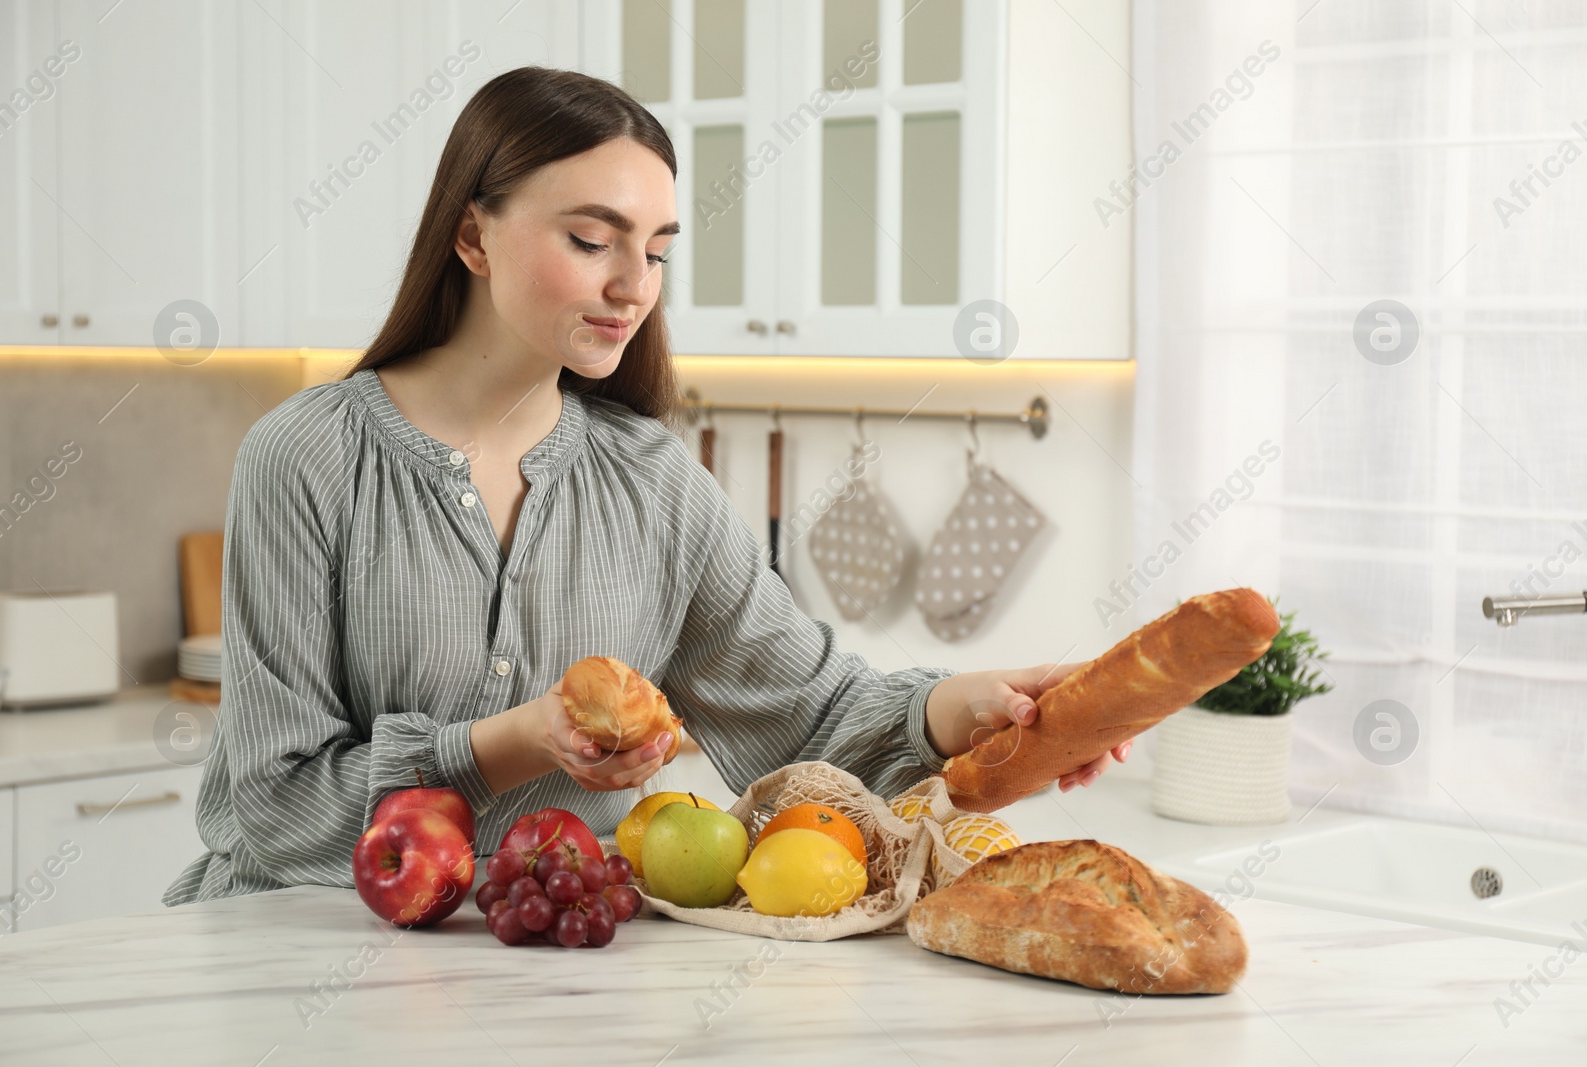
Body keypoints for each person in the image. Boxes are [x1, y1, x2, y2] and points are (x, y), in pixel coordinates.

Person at [163, 67, 1126, 905]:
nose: (636, 283)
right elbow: (279, 802)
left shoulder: (656, 484)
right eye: (592, 240)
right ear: (471, 237)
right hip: (291, 949)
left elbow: (811, 722)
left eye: (658, 249)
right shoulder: (306, 459)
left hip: (548, 962)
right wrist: (523, 738)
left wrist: (969, 709)